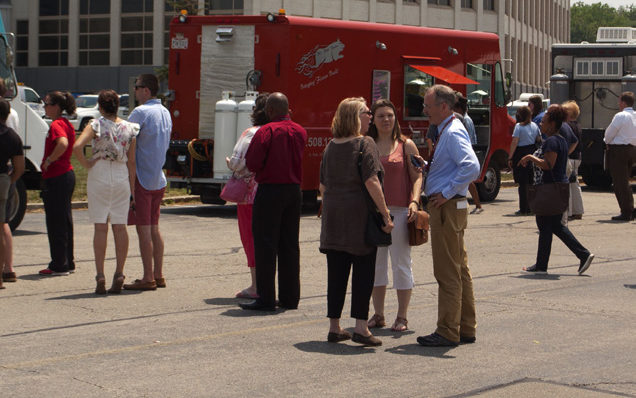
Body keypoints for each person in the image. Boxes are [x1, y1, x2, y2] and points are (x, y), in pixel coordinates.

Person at [320, 97, 393, 346]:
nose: (370, 116)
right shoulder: (365, 143)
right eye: (365, 112)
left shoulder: (331, 146)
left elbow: (322, 184)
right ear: (353, 116)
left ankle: (334, 326)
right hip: (358, 218)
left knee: (336, 273)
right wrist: (384, 213)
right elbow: (371, 180)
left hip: (333, 219)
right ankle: (361, 327)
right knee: (363, 271)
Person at [416, 85, 480, 347]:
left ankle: (447, 330)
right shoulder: (450, 129)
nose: (425, 110)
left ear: (444, 106)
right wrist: (430, 167)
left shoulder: (452, 132)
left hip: (447, 207)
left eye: (428, 106)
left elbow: (471, 166)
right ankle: (464, 326)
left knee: (447, 271)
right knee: (459, 269)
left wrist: (446, 191)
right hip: (453, 206)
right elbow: (458, 165)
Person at [239, 92, 308, 311]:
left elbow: (252, 162)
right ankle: (290, 297)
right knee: (289, 245)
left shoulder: (265, 131)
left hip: (269, 189)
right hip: (293, 190)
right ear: (287, 109)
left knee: (265, 244)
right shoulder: (300, 131)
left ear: (269, 111)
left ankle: (266, 297)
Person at [73, 90, 139, 294]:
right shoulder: (130, 128)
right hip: (120, 175)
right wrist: (133, 191)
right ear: (117, 105)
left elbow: (77, 146)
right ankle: (119, 272)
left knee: (100, 227)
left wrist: (86, 163)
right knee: (120, 226)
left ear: (100, 107)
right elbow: (132, 162)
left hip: (100, 172)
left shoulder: (96, 125)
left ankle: (100, 274)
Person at [366, 99, 421, 333]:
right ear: (373, 120)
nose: (386, 120)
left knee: (401, 264)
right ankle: (378, 315)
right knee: (375, 267)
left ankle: (402, 316)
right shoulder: (367, 145)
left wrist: (415, 201)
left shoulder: (406, 145)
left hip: (400, 213)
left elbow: (417, 176)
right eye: (381, 116)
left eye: (390, 115)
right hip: (374, 214)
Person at [519, 105, 595, 275]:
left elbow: (548, 165)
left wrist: (530, 157)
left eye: (544, 122)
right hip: (555, 188)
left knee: (551, 225)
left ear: (552, 124)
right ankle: (542, 265)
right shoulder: (560, 140)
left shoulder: (553, 141)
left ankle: (582, 254)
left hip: (550, 189)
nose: (541, 124)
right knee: (549, 226)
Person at [123, 74, 172, 291]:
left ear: (146, 90)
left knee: (143, 230)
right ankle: (158, 274)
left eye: (137, 87)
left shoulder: (140, 112)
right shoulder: (164, 111)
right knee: (154, 228)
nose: (135, 90)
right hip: (158, 177)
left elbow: (125, 141)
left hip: (141, 178)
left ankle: (147, 277)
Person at [227, 93, 269, 299]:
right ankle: (269, 283)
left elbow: (237, 162)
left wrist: (229, 164)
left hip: (249, 194)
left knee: (251, 238)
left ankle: (256, 285)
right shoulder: (278, 132)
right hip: (272, 191)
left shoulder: (251, 133)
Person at [39, 91, 77, 276]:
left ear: (56, 107)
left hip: (58, 176)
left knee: (55, 222)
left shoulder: (56, 124)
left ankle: (59, 264)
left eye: (47, 104)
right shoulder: (66, 123)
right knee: (64, 220)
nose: (45, 107)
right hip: (66, 175)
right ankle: (67, 261)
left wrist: (49, 161)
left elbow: (61, 143)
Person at [0, 100, 24, 289]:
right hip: (3, 179)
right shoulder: (13, 137)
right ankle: (6, 270)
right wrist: (11, 181)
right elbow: (20, 167)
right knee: (3, 224)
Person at [603, 91, 636, 221]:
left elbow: (610, 132)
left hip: (619, 150)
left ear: (623, 102)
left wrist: (607, 141)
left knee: (619, 182)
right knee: (625, 181)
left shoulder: (620, 116)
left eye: (619, 101)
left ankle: (626, 211)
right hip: (633, 149)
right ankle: (630, 208)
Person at [508, 106, 540, 215]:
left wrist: (510, 157)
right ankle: (531, 207)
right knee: (531, 182)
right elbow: (538, 139)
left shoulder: (518, 127)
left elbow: (515, 142)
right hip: (531, 151)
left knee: (522, 183)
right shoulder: (535, 125)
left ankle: (523, 208)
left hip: (520, 153)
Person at [454, 92, 482, 215]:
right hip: (466, 151)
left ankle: (476, 204)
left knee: (468, 181)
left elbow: (466, 139)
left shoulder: (464, 120)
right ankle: (477, 204)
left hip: (465, 152)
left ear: (459, 108)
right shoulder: (464, 118)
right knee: (468, 181)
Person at [562, 101, 584, 221]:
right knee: (575, 184)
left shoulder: (567, 126)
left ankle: (569, 212)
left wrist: (566, 153)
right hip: (577, 157)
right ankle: (578, 210)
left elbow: (571, 142)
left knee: (567, 184)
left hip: (570, 157)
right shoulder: (577, 125)